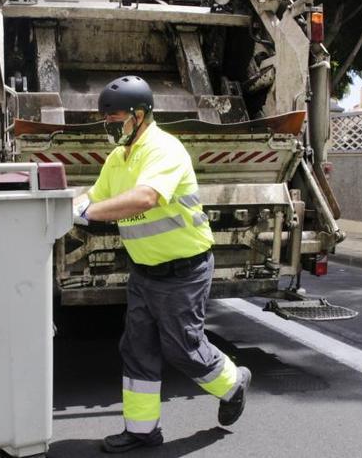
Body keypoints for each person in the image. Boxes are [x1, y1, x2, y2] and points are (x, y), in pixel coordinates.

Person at [73, 76, 252, 454]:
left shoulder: (164, 149)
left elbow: (146, 198)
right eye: (107, 120)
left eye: (116, 119)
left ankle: (234, 382)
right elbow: (94, 195)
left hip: (183, 271)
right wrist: (66, 206)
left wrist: (86, 213)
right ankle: (142, 432)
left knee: (183, 349)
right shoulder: (118, 158)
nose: (110, 126)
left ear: (140, 115)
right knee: (136, 349)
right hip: (144, 272)